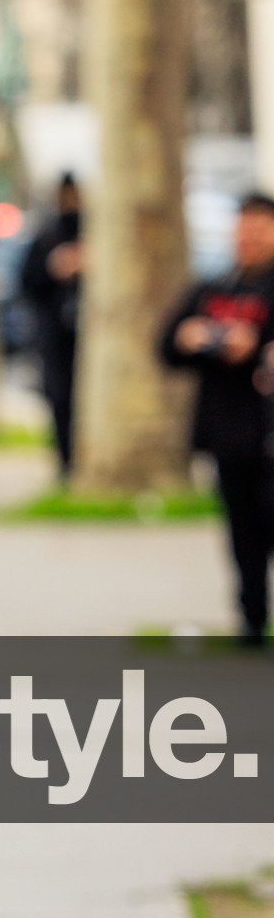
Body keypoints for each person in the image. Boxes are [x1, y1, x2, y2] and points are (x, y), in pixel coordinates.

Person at [160, 191, 274, 644]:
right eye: (243, 227)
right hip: (228, 433)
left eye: (260, 227)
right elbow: (167, 344)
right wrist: (194, 338)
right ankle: (251, 621)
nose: (249, 237)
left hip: (269, 431)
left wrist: (255, 346)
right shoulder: (214, 288)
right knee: (241, 534)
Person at [19, 172, 82, 478]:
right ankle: (65, 464)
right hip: (56, 336)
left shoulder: (97, 233)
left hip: (89, 338)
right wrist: (53, 267)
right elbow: (27, 282)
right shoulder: (46, 236)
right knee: (60, 401)